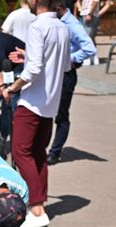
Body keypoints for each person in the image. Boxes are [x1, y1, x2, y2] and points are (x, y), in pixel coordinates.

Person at [3, 0, 70, 227]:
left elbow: (33, 70)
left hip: (32, 101)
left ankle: (37, 208)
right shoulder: (62, 26)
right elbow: (63, 65)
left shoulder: (37, 26)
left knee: (21, 152)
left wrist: (12, 88)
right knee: (38, 153)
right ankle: (39, 205)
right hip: (50, 102)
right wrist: (29, 56)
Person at [47, 0, 96, 165]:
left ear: (59, 7)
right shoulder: (58, 22)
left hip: (66, 74)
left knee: (61, 115)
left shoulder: (72, 24)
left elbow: (89, 48)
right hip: (54, 72)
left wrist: (70, 59)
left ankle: (55, 152)